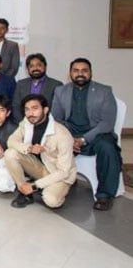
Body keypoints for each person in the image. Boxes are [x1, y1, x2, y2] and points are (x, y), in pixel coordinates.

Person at [52, 58, 121, 211]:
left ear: (91, 72)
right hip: (70, 134)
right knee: (49, 142)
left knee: (107, 148)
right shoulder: (60, 91)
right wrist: (69, 139)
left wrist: (83, 140)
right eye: (76, 71)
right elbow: (56, 119)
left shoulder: (104, 91)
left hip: (97, 134)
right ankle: (55, 186)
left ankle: (104, 195)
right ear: (70, 73)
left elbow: (107, 123)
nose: (80, 74)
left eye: (84, 70)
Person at [5, 94, 76, 209]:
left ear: (45, 110)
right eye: (27, 110)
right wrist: (29, 148)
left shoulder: (62, 134)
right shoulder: (26, 123)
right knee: (10, 153)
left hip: (59, 173)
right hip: (41, 168)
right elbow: (11, 141)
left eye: (35, 108)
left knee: (51, 200)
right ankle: (24, 191)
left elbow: (63, 171)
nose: (30, 113)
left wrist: (34, 186)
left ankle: (56, 188)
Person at [12, 53, 62, 122]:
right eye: (31, 66)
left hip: (47, 125)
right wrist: (24, 123)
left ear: (45, 66)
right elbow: (16, 106)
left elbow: (57, 111)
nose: (35, 68)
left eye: (39, 65)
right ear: (28, 69)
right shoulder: (21, 84)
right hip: (24, 124)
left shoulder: (56, 85)